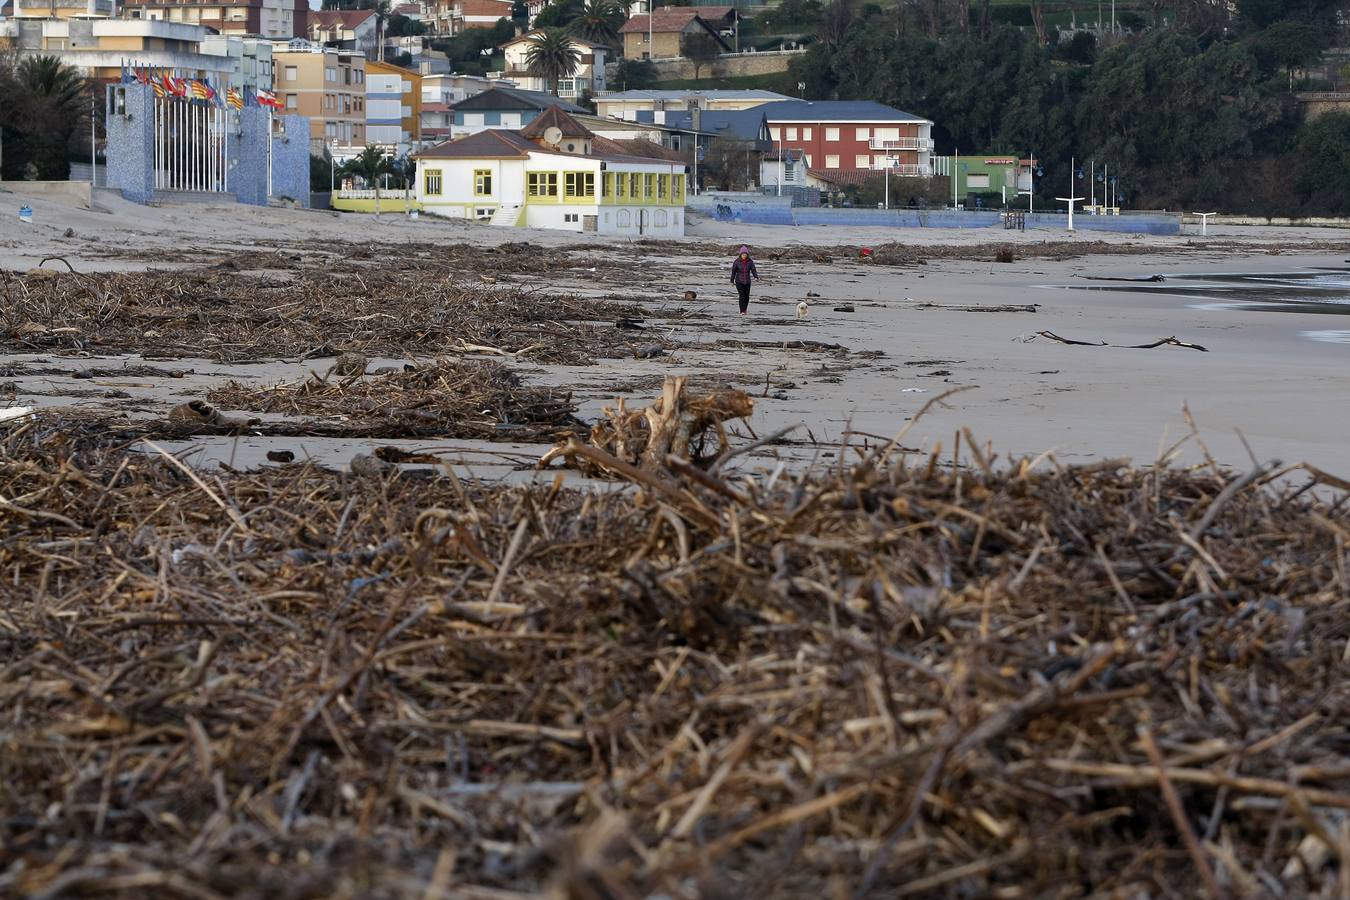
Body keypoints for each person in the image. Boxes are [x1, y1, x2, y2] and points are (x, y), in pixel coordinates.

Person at [730, 245, 759, 316]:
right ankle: (742, 311)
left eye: (745, 254)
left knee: (747, 297)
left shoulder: (750, 261)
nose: (744, 256)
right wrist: (732, 281)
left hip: (747, 282)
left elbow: (753, 270)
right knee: (742, 296)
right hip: (739, 281)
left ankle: (745, 309)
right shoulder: (736, 262)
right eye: (743, 254)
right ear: (740, 254)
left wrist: (756, 277)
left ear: (747, 254)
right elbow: (733, 272)